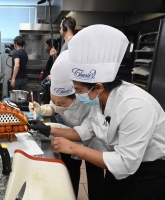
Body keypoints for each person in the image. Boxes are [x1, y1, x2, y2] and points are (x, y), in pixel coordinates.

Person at [31, 25, 165, 199]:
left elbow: (126, 163)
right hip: (116, 161)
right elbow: (87, 130)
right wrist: (47, 129)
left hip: (149, 170)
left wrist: (73, 148)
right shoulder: (99, 99)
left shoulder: (135, 106)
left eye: (78, 90)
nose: (78, 96)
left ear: (99, 86)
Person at [29, 50, 105, 199]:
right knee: (71, 173)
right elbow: (55, 107)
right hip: (70, 137)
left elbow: (83, 132)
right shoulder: (59, 97)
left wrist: (49, 129)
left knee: (95, 179)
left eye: (63, 102)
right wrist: (42, 109)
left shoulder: (90, 101)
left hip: (94, 141)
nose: (59, 104)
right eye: (55, 100)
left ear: (76, 95)